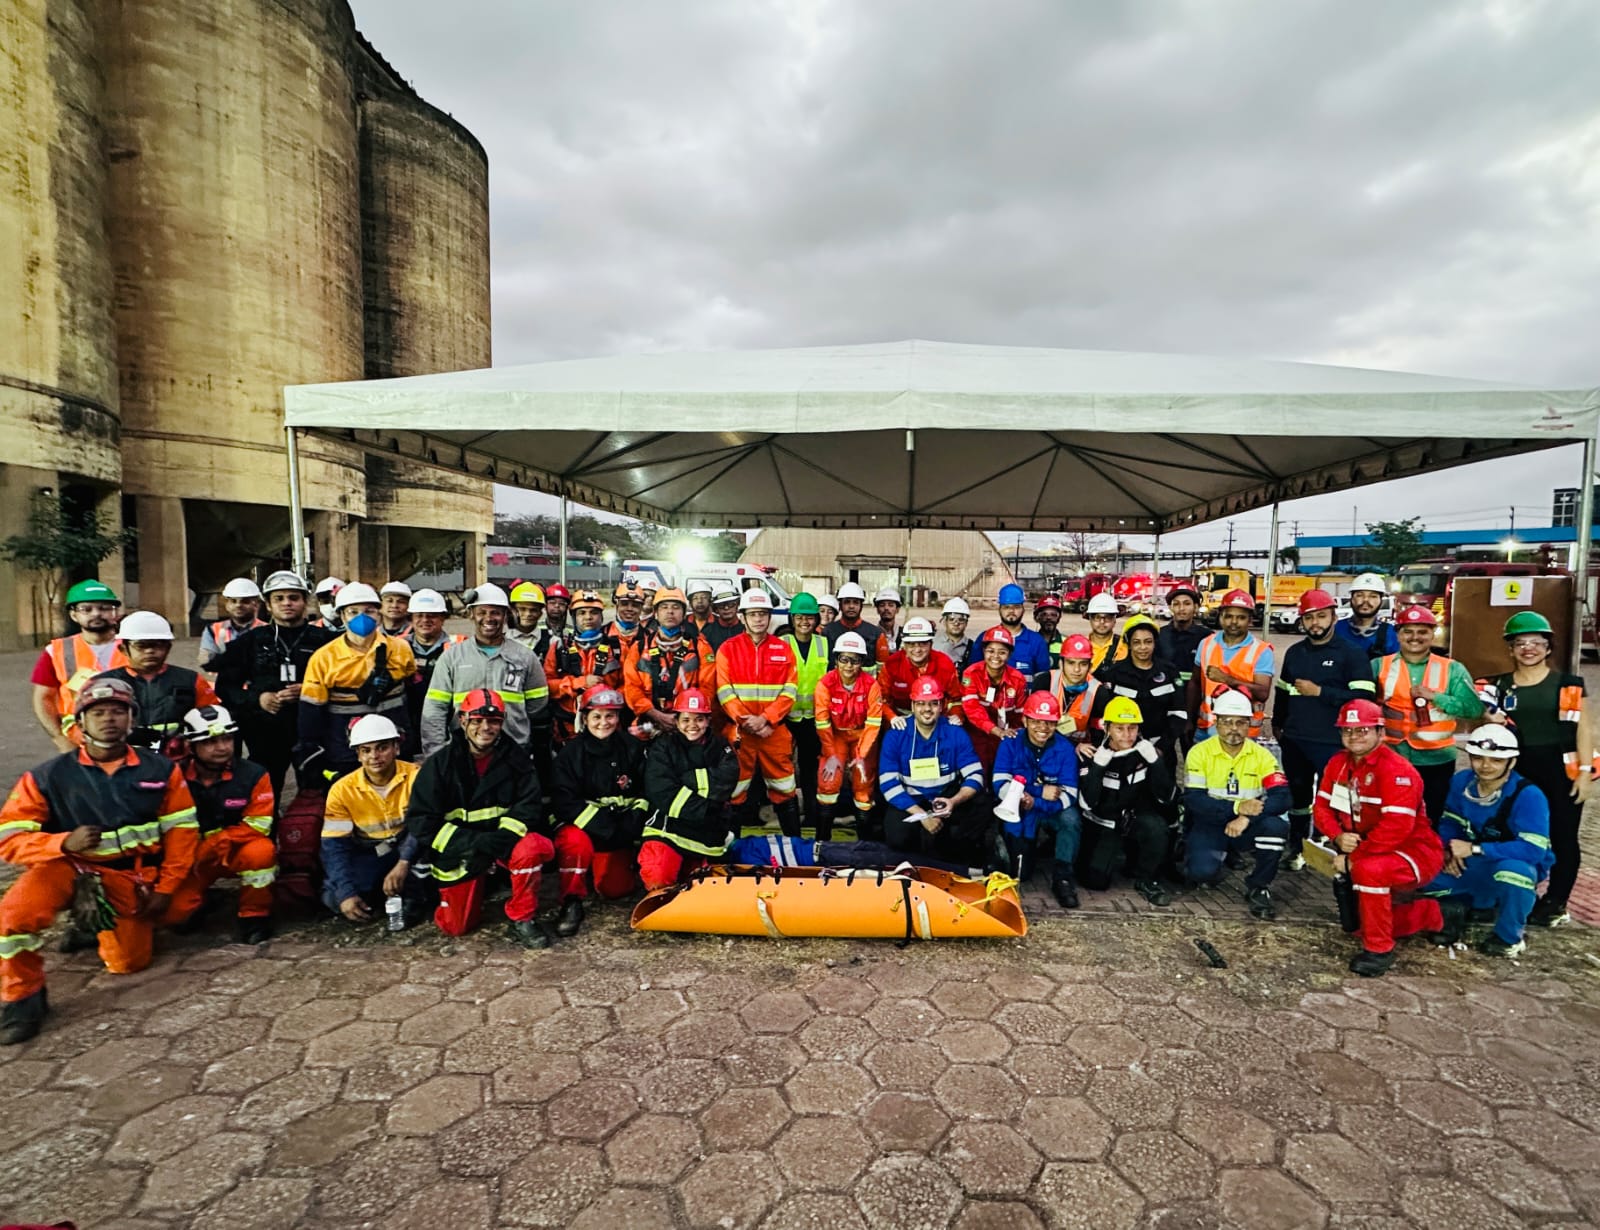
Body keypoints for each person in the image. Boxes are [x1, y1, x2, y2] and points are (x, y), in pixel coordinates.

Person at [0, 676, 199, 1044]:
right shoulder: (48, 776)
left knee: (128, 963)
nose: (109, 719)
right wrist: (62, 843)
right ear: (80, 722)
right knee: (12, 917)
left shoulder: (160, 771)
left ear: (131, 720)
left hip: (129, 877)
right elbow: (9, 839)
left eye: (118, 711)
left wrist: (167, 886)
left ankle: (91, 924)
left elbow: (182, 833)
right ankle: (22, 997)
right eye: (99, 712)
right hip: (67, 869)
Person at [406, 690, 558, 948]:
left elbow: (528, 808)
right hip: (462, 850)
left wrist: (497, 842)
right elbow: (422, 822)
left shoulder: (517, 759)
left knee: (531, 848)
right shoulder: (440, 765)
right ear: (463, 721)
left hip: (503, 845)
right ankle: (477, 886)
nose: (485, 728)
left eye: (494, 721)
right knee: (455, 927)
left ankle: (522, 917)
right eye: (476, 720)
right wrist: (473, 845)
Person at [1313, 699, 1445, 978]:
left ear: (1380, 732)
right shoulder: (1338, 763)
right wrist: (1337, 837)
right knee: (1356, 923)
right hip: (1368, 848)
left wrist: (1352, 857)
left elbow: (1396, 829)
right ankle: (1433, 914)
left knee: (1368, 872)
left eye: (1363, 730)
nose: (1354, 736)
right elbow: (1322, 809)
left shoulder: (1397, 769)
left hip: (1414, 851)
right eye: (1348, 730)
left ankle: (1379, 950)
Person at [1478, 610, 1592, 928]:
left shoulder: (1567, 684)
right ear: (1511, 648)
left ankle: (1555, 901)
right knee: (1507, 831)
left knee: (1563, 837)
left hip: (1559, 770)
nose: (1529, 648)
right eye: (1521, 642)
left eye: (1537, 642)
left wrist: (1585, 771)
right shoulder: (1496, 686)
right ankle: (1503, 892)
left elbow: (1584, 728)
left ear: (1548, 647)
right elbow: (1484, 723)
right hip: (1514, 770)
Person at [1422, 725, 1554, 957]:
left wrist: (1475, 849)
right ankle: (1477, 905)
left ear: (1511, 762)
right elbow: (1450, 822)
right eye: (1478, 758)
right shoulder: (1462, 782)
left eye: (1495, 760)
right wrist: (1448, 850)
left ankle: (1508, 937)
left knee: (1514, 873)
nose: (1485, 766)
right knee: (1420, 875)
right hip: (1473, 860)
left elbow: (1533, 850)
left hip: (1511, 861)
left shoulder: (1529, 795)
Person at [1273, 588, 1377, 870]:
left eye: (1321, 616)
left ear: (1333, 616)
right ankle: (1296, 849)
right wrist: (1278, 724)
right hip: (1295, 739)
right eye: (1309, 618)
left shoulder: (1351, 654)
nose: (1315, 623)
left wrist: (1320, 692)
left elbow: (1365, 697)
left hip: (1332, 741)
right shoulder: (1295, 653)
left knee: (1335, 800)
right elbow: (1283, 692)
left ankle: (1334, 852)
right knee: (1298, 797)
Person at [211, 570, 336, 797]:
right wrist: (258, 699)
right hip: (264, 732)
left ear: (305, 602)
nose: (287, 603)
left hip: (312, 731)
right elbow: (225, 687)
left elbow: (342, 683)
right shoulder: (251, 641)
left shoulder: (326, 641)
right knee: (265, 795)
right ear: (267, 605)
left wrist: (310, 690)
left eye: (293, 598)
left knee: (315, 794)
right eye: (279, 598)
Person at [172, 704, 278, 944]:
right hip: (191, 857)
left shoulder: (254, 774)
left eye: (227, 739)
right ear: (191, 745)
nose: (221, 748)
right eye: (210, 742)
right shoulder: (174, 777)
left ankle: (255, 915)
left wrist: (217, 841)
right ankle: (204, 901)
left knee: (262, 852)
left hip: (234, 849)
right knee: (175, 916)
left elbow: (259, 824)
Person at [549, 685, 649, 936]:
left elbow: (646, 791)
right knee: (575, 844)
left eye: (610, 716)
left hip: (618, 829)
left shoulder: (632, 748)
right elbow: (564, 801)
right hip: (583, 827)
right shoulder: (571, 753)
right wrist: (601, 825)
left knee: (615, 890)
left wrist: (631, 824)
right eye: (596, 716)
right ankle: (571, 901)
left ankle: (599, 869)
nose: (603, 722)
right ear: (585, 719)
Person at [295, 582, 416, 787]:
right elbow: (311, 710)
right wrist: (313, 748)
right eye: (353, 611)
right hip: (345, 747)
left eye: (369, 610)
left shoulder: (400, 649)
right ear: (342, 616)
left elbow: (413, 697)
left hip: (394, 741)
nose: (362, 617)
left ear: (379, 614)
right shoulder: (324, 658)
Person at [1183, 690, 1291, 920]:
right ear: (1217, 722)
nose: (1234, 728)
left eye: (1240, 723)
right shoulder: (1199, 753)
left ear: (1249, 724)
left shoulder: (1262, 756)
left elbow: (1282, 797)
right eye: (1227, 722)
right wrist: (1236, 809)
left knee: (1276, 829)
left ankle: (1258, 886)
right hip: (1211, 823)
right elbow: (1194, 800)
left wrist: (1246, 818)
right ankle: (1219, 853)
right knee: (1200, 873)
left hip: (1246, 825)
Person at [1374, 605, 1483, 826]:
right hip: (1391, 756)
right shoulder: (1378, 666)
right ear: (1398, 634)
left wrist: (1437, 697)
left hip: (1437, 760)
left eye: (1422, 631)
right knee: (1390, 816)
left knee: (1431, 818)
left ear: (1433, 634)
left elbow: (1474, 709)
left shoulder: (1453, 669)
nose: (1415, 637)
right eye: (1408, 631)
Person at [420, 584, 549, 763]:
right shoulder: (452, 657)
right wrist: (435, 757)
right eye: (482, 612)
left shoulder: (525, 657)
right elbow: (434, 710)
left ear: (505, 615)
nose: (488, 618)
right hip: (463, 755)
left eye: (495, 612)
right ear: (472, 614)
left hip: (513, 753)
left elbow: (538, 707)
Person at [320, 714, 423, 929]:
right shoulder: (342, 790)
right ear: (357, 754)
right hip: (373, 852)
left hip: (413, 848)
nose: (374, 756)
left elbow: (424, 825)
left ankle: (410, 892)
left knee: (429, 874)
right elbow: (334, 846)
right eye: (365, 750)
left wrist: (404, 862)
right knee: (335, 898)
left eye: (382, 747)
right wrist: (346, 893)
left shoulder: (417, 777)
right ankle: (385, 892)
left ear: (396, 747)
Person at [878, 675, 990, 866]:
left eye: (933, 703)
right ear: (912, 706)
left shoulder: (955, 733)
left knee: (983, 804)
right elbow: (888, 785)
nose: (927, 709)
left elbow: (975, 775)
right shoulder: (896, 735)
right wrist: (923, 816)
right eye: (921, 703)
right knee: (897, 838)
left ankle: (957, 852)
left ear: (941, 706)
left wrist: (953, 801)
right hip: (911, 801)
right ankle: (920, 856)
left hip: (945, 798)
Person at [716, 589, 802, 833]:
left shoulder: (783, 649)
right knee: (735, 790)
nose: (758, 619)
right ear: (742, 617)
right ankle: (729, 848)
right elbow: (724, 690)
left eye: (763, 614)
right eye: (753, 614)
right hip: (740, 732)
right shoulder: (728, 649)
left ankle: (793, 848)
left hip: (772, 731)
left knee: (785, 788)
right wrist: (746, 721)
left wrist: (766, 719)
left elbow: (790, 690)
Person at [638, 689, 740, 890]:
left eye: (699, 719)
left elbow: (726, 782)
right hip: (669, 830)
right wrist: (706, 801)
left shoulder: (722, 747)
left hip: (708, 831)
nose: (692, 726)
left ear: (708, 721)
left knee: (710, 889)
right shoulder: (662, 747)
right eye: (686, 719)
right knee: (658, 877)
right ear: (676, 721)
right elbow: (660, 791)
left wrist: (686, 780)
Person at [1077, 697, 1175, 905]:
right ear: (1107, 728)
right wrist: (1098, 767)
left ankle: (1147, 877)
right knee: (1095, 881)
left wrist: (1156, 763)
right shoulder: (1092, 753)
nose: (1127, 735)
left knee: (1156, 827)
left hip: (1135, 818)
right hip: (1104, 823)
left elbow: (1166, 796)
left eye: (1132, 728)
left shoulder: (1146, 753)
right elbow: (1087, 803)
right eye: (1119, 728)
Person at [993, 691, 1082, 908]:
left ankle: (1062, 876)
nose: (1043, 728)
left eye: (1049, 722)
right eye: (1036, 721)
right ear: (1025, 720)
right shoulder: (1010, 743)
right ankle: (1003, 848)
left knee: (1071, 820)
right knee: (1022, 874)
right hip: (1019, 811)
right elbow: (998, 783)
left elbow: (1070, 794)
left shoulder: (1065, 748)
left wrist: (1036, 801)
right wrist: (1037, 792)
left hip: (1050, 810)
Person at [90, 612, 220, 754]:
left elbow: (213, 723)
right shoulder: (102, 684)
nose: (150, 651)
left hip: (177, 761)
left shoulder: (191, 680)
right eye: (141, 646)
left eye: (158, 645)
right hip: (121, 762)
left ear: (168, 648)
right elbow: (86, 728)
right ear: (123, 649)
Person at [30, 578, 127, 753]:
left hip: (129, 739)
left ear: (116, 613)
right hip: (77, 743)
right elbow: (43, 699)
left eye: (104, 608)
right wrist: (60, 739)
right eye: (86, 609)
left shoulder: (133, 646)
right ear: (73, 615)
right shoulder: (56, 651)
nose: (96, 614)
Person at [813, 632, 887, 839]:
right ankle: (822, 840)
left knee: (863, 786)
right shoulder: (825, 684)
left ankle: (863, 842)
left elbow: (873, 724)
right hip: (835, 737)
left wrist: (861, 756)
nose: (848, 666)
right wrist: (831, 754)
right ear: (836, 660)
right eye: (844, 659)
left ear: (862, 662)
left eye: (854, 660)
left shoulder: (871, 685)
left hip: (862, 736)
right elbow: (822, 722)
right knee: (829, 782)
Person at [1090, 615, 1186, 762]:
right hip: (1123, 750)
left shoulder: (1169, 672)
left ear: (1155, 642)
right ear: (1128, 643)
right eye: (1137, 642)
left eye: (1148, 642)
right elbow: (1102, 715)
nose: (1143, 647)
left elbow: (1178, 714)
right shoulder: (1114, 674)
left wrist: (1160, 747)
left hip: (1161, 750)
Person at [1193, 588, 1275, 741]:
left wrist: (1227, 680)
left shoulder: (1261, 651)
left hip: (1241, 734)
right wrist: (1188, 720)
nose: (1234, 622)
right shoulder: (1206, 644)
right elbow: (1195, 683)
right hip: (1205, 727)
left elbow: (1263, 694)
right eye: (1228, 616)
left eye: (1241, 617)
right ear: (1221, 617)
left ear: (1250, 620)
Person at [781, 593, 831, 834]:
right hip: (786, 718)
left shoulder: (824, 644)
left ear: (816, 619)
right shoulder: (783, 643)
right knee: (783, 768)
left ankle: (811, 814)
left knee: (810, 768)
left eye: (809, 617)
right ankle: (788, 813)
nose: (805, 622)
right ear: (792, 619)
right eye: (800, 617)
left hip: (813, 719)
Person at [545, 589, 623, 743]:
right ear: (574, 617)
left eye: (593, 612)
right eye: (582, 613)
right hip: (568, 728)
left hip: (606, 725)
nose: (588, 617)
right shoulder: (560, 647)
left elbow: (628, 684)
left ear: (601, 616)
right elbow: (546, 686)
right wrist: (578, 683)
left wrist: (608, 698)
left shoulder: (616, 648)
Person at [623, 587, 702, 738]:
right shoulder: (639, 648)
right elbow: (631, 688)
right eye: (664, 607)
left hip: (688, 726)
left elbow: (707, 687)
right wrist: (654, 714)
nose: (670, 612)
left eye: (676, 607)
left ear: (684, 614)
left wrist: (684, 718)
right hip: (648, 723)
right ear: (656, 613)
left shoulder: (699, 647)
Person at [403, 589, 463, 759]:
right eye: (419, 615)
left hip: (448, 722)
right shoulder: (397, 646)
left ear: (443, 618)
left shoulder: (459, 646)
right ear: (411, 618)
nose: (425, 620)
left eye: (432, 615)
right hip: (408, 721)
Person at [960, 626, 1028, 776]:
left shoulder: (1018, 679)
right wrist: (996, 731)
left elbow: (1020, 713)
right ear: (983, 651)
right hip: (977, 735)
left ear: (1010, 655)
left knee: (1005, 772)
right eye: (990, 651)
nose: (995, 656)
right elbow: (972, 709)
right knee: (979, 774)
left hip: (1006, 734)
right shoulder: (971, 674)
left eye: (1002, 652)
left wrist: (1015, 733)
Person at [879, 618, 961, 719]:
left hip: (937, 720)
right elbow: (881, 699)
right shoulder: (892, 665)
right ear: (904, 645)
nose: (917, 649)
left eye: (922, 643)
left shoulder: (944, 664)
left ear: (931, 644)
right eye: (911, 644)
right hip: (900, 720)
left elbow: (957, 699)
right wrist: (892, 718)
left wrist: (955, 716)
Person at [1156, 584, 1207, 735]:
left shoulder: (1206, 638)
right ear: (1170, 608)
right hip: (1166, 702)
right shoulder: (1160, 635)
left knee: (1191, 752)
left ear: (1196, 607)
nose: (1181, 608)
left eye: (1187, 603)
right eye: (1176, 604)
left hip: (1195, 704)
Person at [1051, 634, 1105, 748]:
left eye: (1083, 664)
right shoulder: (1045, 682)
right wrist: (1074, 745)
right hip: (1047, 745)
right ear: (1061, 663)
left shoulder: (1099, 692)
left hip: (1080, 750)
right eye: (1071, 663)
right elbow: (1034, 726)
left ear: (1090, 667)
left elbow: (1098, 735)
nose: (1077, 670)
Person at [198, 578, 264, 669]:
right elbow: (205, 661)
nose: (238, 605)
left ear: (256, 604)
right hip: (224, 682)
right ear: (227, 605)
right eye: (233, 601)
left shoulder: (270, 630)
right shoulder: (213, 629)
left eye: (245, 601)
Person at [995, 583, 1051, 689]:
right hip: (991, 704)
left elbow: (1043, 681)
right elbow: (974, 676)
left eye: (1016, 607)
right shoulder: (985, 639)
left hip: (1027, 704)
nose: (1011, 611)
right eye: (1006, 607)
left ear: (1023, 609)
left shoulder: (1036, 642)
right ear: (999, 609)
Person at [695, 585, 747, 698]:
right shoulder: (706, 633)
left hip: (742, 690)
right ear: (715, 608)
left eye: (731, 604)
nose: (727, 608)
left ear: (738, 605)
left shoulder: (746, 631)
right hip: (714, 691)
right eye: (722, 605)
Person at [1334, 573, 1399, 661]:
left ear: (1381, 601)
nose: (1365, 600)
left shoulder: (1391, 634)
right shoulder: (1336, 630)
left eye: (1373, 596)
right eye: (1360, 595)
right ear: (1351, 599)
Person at [822, 582, 889, 666]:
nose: (851, 606)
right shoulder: (826, 633)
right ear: (840, 605)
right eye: (847, 602)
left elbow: (884, 669)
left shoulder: (877, 634)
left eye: (855, 602)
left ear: (861, 605)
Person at [1084, 592, 1127, 674]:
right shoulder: (1080, 645)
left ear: (1115, 619)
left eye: (1107, 617)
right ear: (1090, 619)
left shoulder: (1125, 646)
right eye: (1097, 617)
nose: (1102, 622)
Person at [508, 582, 549, 657]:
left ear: (540, 613)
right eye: (522, 609)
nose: (528, 614)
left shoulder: (552, 641)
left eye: (533, 610)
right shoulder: (500, 639)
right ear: (512, 611)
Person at [932, 597, 974, 670]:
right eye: (951, 619)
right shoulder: (933, 644)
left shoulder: (973, 647)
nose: (956, 623)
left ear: (966, 623)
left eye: (961, 620)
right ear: (945, 622)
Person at [608, 580, 647, 651]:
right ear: (617, 606)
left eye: (635, 605)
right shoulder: (604, 633)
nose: (629, 609)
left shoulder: (649, 637)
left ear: (641, 608)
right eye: (624, 604)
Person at [1034, 594, 1065, 662]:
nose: (1049, 618)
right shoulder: (1031, 642)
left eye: (1053, 615)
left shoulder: (1066, 643)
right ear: (1038, 618)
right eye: (1044, 614)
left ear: (1059, 618)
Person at [872, 587, 904, 652]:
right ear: (877, 610)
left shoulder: (905, 634)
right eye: (882, 605)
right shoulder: (871, 634)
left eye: (891, 605)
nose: (886, 608)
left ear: (897, 610)